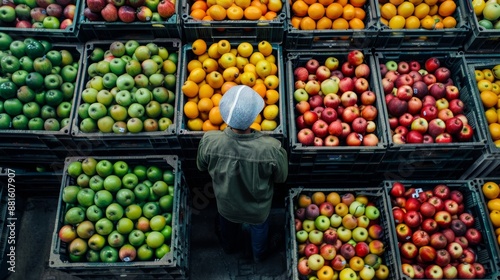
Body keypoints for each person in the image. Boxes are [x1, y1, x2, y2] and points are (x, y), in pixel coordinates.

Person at [196, 85, 288, 263]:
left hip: (226, 206)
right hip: (257, 210)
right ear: (255, 116)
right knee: (259, 231)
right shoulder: (271, 148)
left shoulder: (209, 141)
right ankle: (259, 255)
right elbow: (281, 178)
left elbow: (200, 166)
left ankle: (229, 248)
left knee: (227, 227)